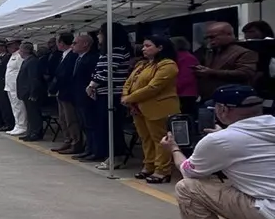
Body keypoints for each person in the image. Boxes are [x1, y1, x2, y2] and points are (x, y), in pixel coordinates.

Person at [164, 85, 275, 219]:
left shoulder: (220, 140)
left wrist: (174, 148)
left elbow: (187, 170)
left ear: (222, 109)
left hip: (271, 215)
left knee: (187, 188)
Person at [121, 36, 181, 184]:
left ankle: (162, 170)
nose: (143, 48)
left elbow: (153, 87)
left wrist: (130, 98)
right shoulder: (143, 64)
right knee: (145, 139)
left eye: (148, 46)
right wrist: (125, 95)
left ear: (160, 48)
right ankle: (149, 166)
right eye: (144, 46)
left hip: (159, 107)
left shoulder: (168, 65)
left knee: (160, 139)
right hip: (139, 108)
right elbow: (129, 82)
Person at [87, 22, 131, 170]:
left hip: (113, 93)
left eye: (100, 33)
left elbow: (107, 71)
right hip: (103, 92)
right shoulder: (106, 51)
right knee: (105, 125)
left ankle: (116, 156)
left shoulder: (116, 50)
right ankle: (110, 155)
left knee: (112, 126)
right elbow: (99, 70)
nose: (98, 36)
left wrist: (93, 84)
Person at [195, 22, 258, 103]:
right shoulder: (211, 52)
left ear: (228, 34)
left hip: (232, 99)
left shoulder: (244, 53)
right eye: (207, 38)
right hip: (209, 97)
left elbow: (245, 73)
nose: (210, 40)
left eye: (213, 37)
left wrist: (211, 72)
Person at [15, 42, 46, 142]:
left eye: (21, 49)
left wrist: (33, 93)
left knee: (34, 113)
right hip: (25, 92)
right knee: (30, 113)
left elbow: (34, 79)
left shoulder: (32, 61)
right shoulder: (27, 61)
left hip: (30, 92)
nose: (19, 52)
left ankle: (36, 132)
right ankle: (31, 131)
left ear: (26, 50)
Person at [4, 41, 27, 136]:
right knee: (14, 107)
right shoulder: (12, 56)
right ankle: (17, 125)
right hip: (10, 86)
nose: (8, 47)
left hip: (16, 86)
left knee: (19, 106)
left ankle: (22, 126)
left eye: (10, 45)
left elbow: (22, 71)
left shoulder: (19, 56)